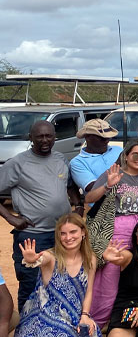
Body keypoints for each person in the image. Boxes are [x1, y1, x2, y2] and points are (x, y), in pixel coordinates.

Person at [2, 214, 105, 337]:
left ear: (83, 233)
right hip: (47, 317)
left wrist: (85, 315)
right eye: (63, 234)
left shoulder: (90, 259)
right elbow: (39, 259)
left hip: (76, 316)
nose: (68, 237)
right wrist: (31, 260)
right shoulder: (52, 257)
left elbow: (89, 291)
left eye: (73, 232)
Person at [0, 121, 80, 312]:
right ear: (31, 138)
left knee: (60, 283)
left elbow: (69, 185)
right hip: (32, 236)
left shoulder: (60, 158)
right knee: (31, 286)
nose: (45, 140)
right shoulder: (17, 164)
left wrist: (78, 205)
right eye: (40, 136)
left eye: (49, 136)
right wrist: (11, 218)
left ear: (55, 137)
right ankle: (26, 334)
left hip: (62, 236)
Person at [84, 141, 138, 327]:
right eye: (135, 154)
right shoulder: (114, 174)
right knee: (109, 278)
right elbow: (88, 199)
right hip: (116, 232)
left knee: (134, 276)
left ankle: (126, 320)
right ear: (126, 156)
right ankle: (99, 322)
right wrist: (107, 186)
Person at [68, 118, 122, 201]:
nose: (106, 141)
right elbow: (93, 188)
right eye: (102, 138)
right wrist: (117, 164)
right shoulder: (78, 162)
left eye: (108, 138)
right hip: (102, 210)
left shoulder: (118, 150)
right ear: (88, 137)